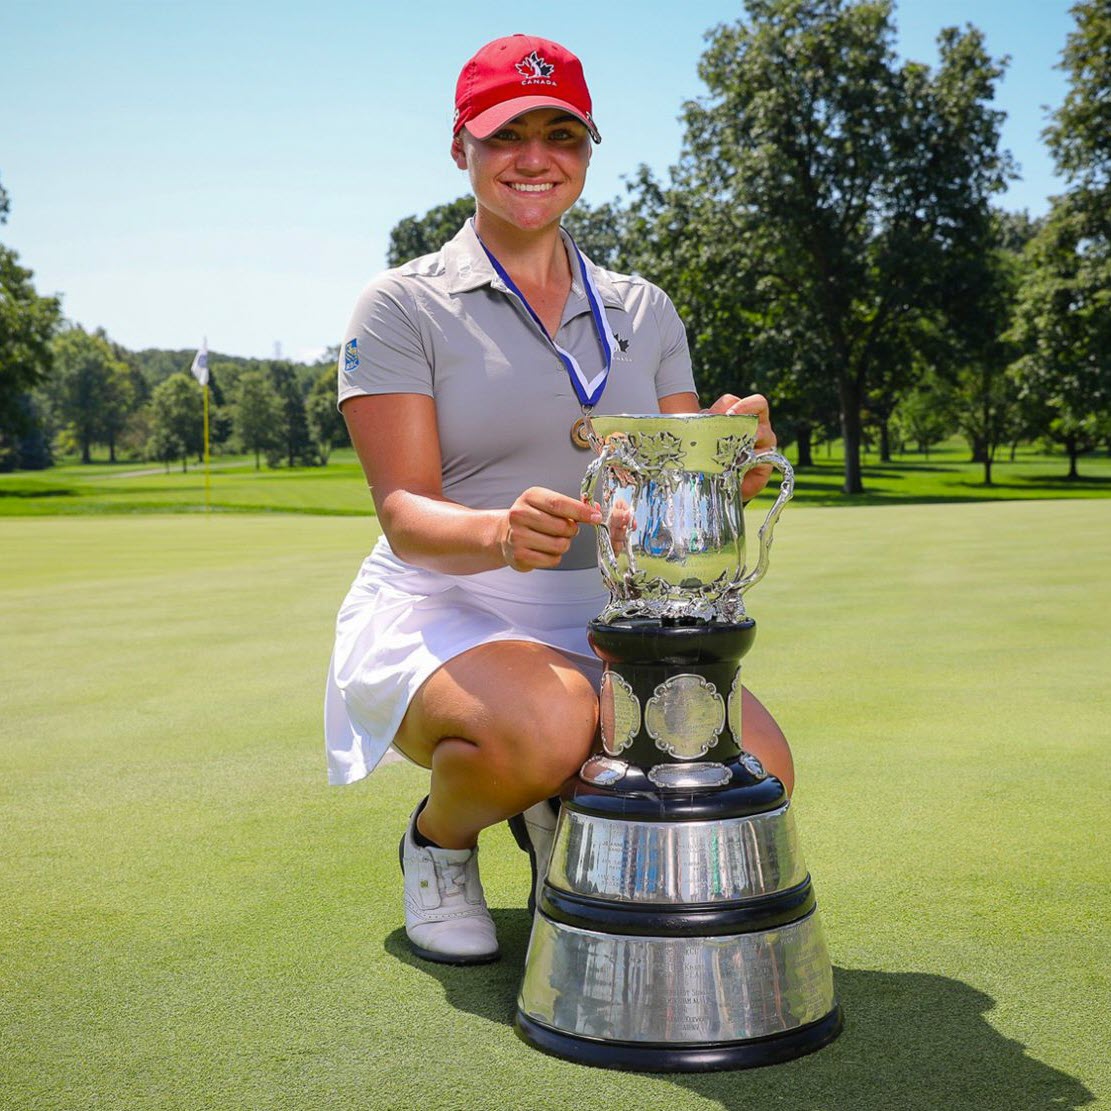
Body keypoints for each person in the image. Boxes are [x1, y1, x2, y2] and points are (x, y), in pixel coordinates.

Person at [324, 33, 793, 966]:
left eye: (561, 134)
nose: (534, 159)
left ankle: (557, 814)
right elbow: (406, 514)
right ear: (461, 147)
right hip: (447, 601)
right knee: (544, 725)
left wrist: (727, 471)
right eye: (505, 135)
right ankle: (441, 841)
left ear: (586, 148)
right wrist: (499, 532)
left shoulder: (643, 308)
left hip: (607, 613)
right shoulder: (401, 305)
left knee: (759, 772)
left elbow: (673, 485)